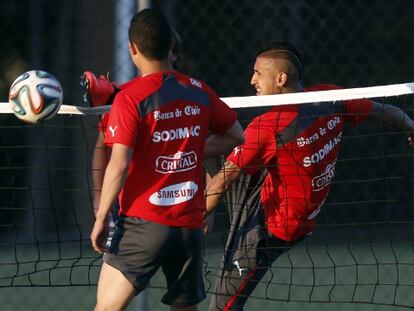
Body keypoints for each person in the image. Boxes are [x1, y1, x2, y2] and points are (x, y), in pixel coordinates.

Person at [204, 40, 414, 310]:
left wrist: (193, 218)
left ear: (280, 78)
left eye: (258, 72)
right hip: (283, 203)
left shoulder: (269, 127)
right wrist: (409, 125)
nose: (251, 80)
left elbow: (223, 181)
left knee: (221, 308)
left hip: (268, 228)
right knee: (210, 141)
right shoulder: (329, 96)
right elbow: (386, 111)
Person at [89, 8, 245, 311]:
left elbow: (118, 164)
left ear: (133, 48)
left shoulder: (131, 98)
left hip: (143, 225)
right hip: (189, 226)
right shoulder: (199, 90)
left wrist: (100, 218)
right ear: (170, 47)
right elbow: (236, 136)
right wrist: (187, 147)